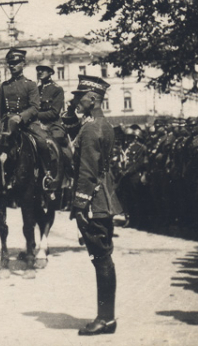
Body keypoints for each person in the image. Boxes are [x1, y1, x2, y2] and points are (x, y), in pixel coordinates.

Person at [69, 75, 123, 336]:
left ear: (92, 99)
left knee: (101, 259)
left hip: (93, 201)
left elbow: (88, 171)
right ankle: (107, 317)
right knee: (103, 258)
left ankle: (105, 319)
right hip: (104, 198)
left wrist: (79, 206)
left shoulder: (91, 129)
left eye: (80, 97)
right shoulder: (105, 125)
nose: (76, 101)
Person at [0, 49, 58, 191]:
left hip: (27, 124)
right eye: (10, 63)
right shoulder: (4, 86)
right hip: (7, 125)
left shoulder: (30, 85)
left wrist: (21, 117)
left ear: (23, 63)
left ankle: (47, 174)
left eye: (16, 63)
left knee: (42, 143)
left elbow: (35, 107)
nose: (12, 66)